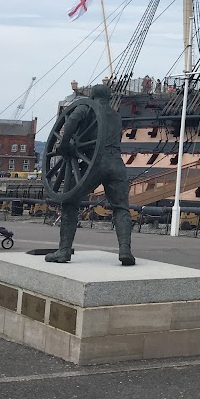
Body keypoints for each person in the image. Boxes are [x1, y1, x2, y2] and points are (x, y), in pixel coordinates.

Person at [45, 84, 135, 266]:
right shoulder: (116, 116)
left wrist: (63, 145)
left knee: (69, 202)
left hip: (94, 163)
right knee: (121, 208)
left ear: (92, 95)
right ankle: (125, 250)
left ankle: (63, 251)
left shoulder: (86, 107)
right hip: (116, 164)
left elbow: (71, 121)